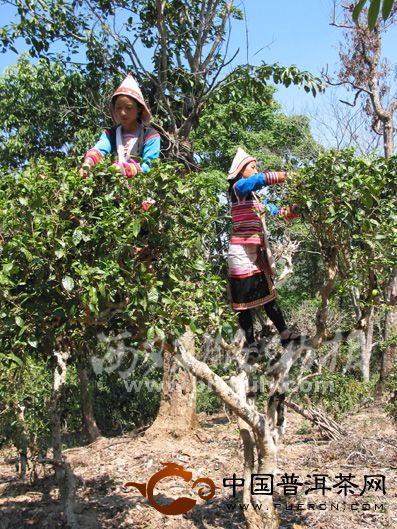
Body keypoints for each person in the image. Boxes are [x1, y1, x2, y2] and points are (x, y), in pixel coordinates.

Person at [227, 147, 304, 359]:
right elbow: (258, 180)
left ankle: (285, 334)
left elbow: (277, 213)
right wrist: (286, 176)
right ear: (241, 170)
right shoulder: (238, 188)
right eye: (252, 167)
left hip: (255, 253)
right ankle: (251, 345)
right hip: (240, 252)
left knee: (268, 297)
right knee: (243, 304)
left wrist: (297, 209)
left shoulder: (255, 199)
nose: (255, 170)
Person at [79, 74, 160, 178]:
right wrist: (88, 163)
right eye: (118, 108)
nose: (123, 113)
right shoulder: (110, 135)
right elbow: (99, 149)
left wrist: (122, 169)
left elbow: (149, 166)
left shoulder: (150, 136)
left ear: (139, 109)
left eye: (129, 108)